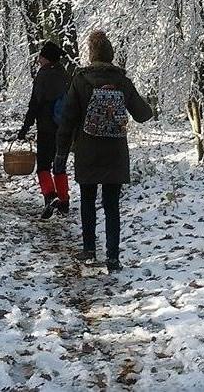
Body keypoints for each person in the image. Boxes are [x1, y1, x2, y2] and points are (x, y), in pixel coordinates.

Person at [54, 31, 153, 272]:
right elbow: (143, 115)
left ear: (91, 55)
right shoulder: (122, 81)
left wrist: (61, 154)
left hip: (87, 150)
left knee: (88, 201)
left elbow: (67, 119)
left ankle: (89, 249)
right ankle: (113, 257)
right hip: (115, 152)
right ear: (111, 55)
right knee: (111, 205)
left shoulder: (80, 80)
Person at [17, 41, 70, 219]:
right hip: (64, 128)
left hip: (46, 128)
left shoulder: (43, 76)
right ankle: (64, 201)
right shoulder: (65, 74)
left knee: (43, 166)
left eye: (41, 56)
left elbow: (35, 103)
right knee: (60, 165)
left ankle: (50, 196)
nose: (38, 59)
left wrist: (26, 126)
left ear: (46, 58)